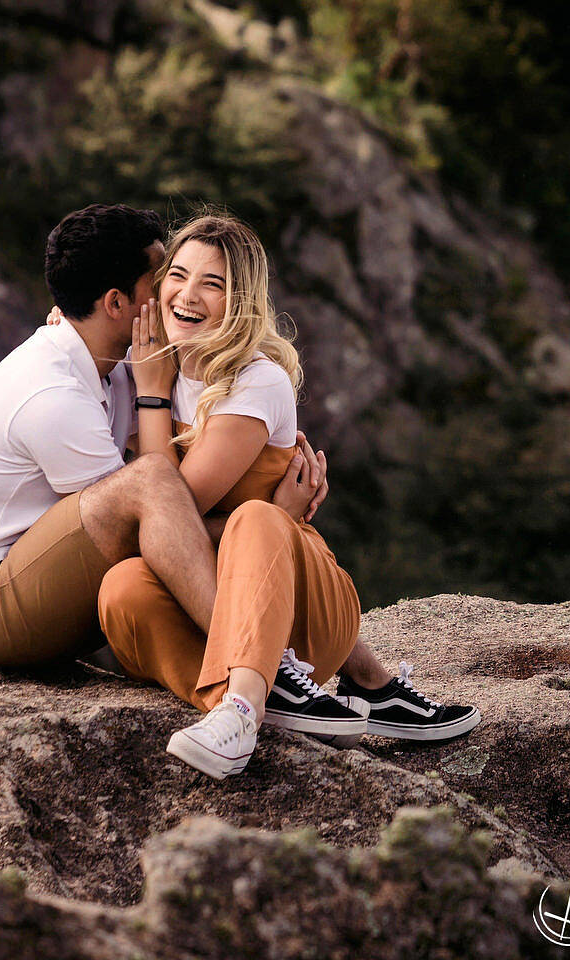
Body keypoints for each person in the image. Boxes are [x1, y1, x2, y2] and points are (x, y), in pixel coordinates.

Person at [0, 203, 325, 758]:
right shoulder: (52, 394)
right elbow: (153, 525)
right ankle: (259, 666)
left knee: (152, 500)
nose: (176, 295)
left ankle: (297, 679)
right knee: (150, 483)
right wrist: (274, 514)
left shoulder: (110, 360)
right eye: (163, 277)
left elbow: (168, 523)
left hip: (37, 575)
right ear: (116, 304)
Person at [83, 213, 481, 779]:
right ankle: (269, 703)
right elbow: (79, 348)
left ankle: (245, 708)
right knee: (122, 589)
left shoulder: (256, 380)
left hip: (302, 608)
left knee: (254, 520)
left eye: (213, 284)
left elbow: (174, 511)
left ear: (241, 300)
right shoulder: (149, 359)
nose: (187, 296)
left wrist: (150, 400)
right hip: (213, 606)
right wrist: (67, 324)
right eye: (178, 274)